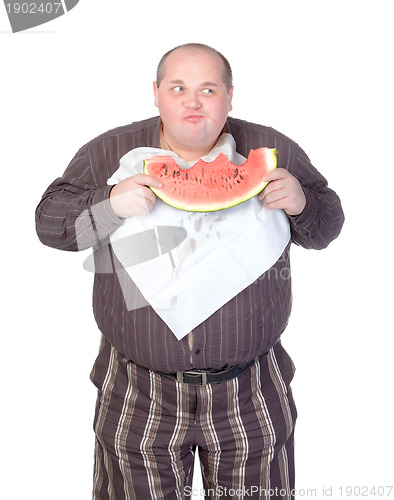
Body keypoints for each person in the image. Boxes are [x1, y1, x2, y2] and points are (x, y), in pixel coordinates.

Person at [35, 43, 344, 499]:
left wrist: (302, 203)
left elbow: (326, 227)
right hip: (136, 389)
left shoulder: (273, 149)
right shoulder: (108, 153)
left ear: (230, 96)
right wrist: (108, 206)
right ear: (156, 93)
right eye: (178, 88)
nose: (193, 102)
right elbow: (50, 226)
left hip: (252, 387)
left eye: (208, 89)